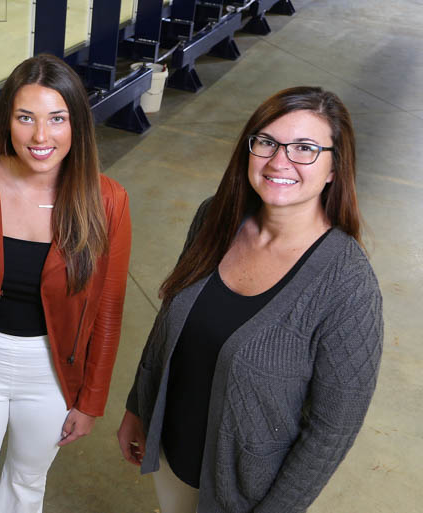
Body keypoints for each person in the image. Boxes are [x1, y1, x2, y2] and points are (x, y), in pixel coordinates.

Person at [117, 86, 383, 513]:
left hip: (245, 496)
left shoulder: (347, 284)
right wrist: (139, 405)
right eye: (267, 143)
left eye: (305, 149)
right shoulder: (215, 218)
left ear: (335, 167)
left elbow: (331, 430)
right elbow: (171, 317)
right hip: (170, 459)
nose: (280, 162)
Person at [0, 54, 132, 513]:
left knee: (25, 488)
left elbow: (109, 309)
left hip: (53, 373)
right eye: (26, 118)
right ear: (7, 122)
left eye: (57, 119)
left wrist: (91, 400)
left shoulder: (107, 201)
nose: (41, 136)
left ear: (77, 123)